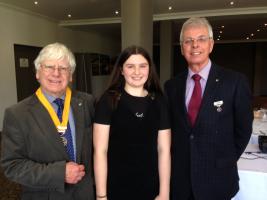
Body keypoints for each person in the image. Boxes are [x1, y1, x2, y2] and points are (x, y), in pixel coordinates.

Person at [164, 17, 253, 200]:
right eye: (188, 41)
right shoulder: (171, 86)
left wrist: (226, 160)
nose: (194, 45)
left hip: (218, 180)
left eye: (201, 39)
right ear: (182, 48)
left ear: (211, 45)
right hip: (181, 182)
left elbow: (244, 130)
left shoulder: (234, 82)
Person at [1, 42, 95, 200]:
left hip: (84, 194)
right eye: (49, 67)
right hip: (45, 195)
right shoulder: (17, 114)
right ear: (38, 72)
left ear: (71, 75)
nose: (56, 73)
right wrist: (59, 173)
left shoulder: (87, 102)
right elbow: (12, 166)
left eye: (63, 68)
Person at [93, 45, 171, 200]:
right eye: (130, 66)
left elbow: (164, 150)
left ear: (149, 69)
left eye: (142, 66)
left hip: (151, 187)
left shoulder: (159, 102)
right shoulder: (108, 100)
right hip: (116, 187)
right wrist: (101, 196)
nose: (137, 72)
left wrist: (164, 192)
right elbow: (100, 151)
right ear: (121, 70)